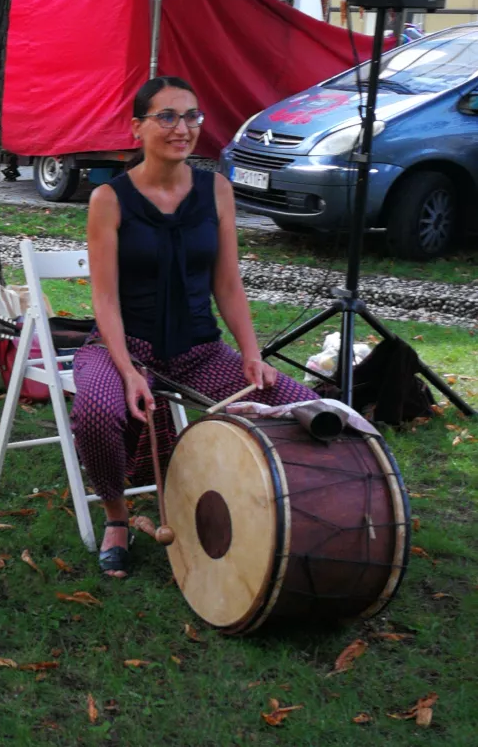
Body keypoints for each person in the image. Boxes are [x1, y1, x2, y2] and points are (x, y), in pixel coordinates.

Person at [71, 75, 315, 579]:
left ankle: (291, 518)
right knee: (97, 409)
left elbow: (227, 284)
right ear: (136, 127)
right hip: (124, 349)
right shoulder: (109, 200)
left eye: (191, 116)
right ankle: (117, 515)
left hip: (200, 353)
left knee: (301, 407)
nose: (182, 128)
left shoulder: (216, 190)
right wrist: (128, 370)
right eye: (167, 116)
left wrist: (251, 354)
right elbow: (106, 300)